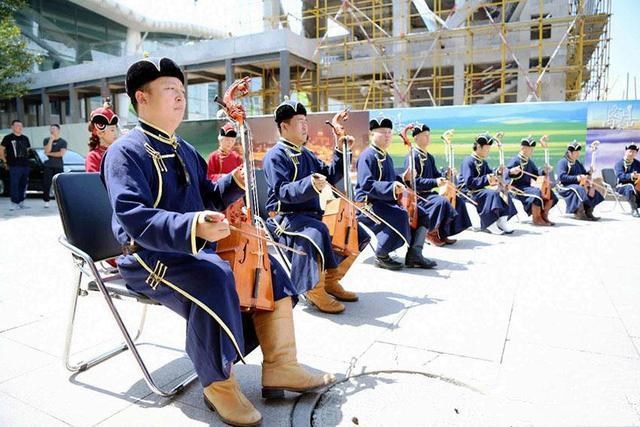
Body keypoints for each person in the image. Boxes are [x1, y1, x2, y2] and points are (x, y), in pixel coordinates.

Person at [101, 57, 333, 427]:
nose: (180, 97)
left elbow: (208, 196)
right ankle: (217, 383)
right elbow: (133, 216)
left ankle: (281, 365)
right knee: (213, 275)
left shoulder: (184, 148)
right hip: (147, 256)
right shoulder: (125, 151)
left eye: (181, 91)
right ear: (142, 98)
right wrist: (193, 225)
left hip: (190, 249)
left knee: (268, 267)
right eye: (170, 90)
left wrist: (233, 183)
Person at [263, 100, 368, 314]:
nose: (305, 126)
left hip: (310, 215)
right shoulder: (275, 155)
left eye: (305, 121)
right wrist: (309, 184)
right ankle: (313, 289)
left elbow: (330, 175)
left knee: (354, 231)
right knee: (317, 231)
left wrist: (341, 150)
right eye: (299, 121)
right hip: (285, 217)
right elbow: (281, 191)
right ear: (284, 126)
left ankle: (330, 281)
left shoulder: (307, 153)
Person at [355, 117, 437, 270]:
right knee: (400, 215)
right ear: (372, 134)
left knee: (421, 213)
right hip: (368, 203)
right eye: (382, 132)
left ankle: (415, 254)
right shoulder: (367, 155)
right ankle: (381, 254)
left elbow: (391, 179)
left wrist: (403, 178)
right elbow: (366, 185)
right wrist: (392, 186)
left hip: (385, 200)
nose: (387, 135)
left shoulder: (386, 156)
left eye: (389, 132)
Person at [404, 124, 471, 246]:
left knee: (457, 201)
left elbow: (436, 175)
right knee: (442, 202)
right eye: (425, 135)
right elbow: (414, 182)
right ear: (416, 138)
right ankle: (430, 232)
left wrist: (446, 175)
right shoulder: (412, 157)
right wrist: (435, 182)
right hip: (418, 196)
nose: (428, 138)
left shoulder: (429, 157)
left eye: (428, 135)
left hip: (429, 194)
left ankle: (444, 233)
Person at [458, 133, 518, 234]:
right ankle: (490, 223)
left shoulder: (483, 162)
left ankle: (502, 221)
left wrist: (499, 172)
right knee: (492, 194)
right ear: (478, 147)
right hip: (468, 192)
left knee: (504, 191)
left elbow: (491, 174)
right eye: (486, 149)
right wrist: (487, 178)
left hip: (479, 190)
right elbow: (469, 182)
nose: (488, 151)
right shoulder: (468, 161)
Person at [505, 136, 558, 226]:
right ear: (523, 148)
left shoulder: (529, 161)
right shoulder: (515, 160)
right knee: (536, 193)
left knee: (549, 193)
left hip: (528, 187)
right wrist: (511, 172)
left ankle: (543, 215)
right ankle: (536, 218)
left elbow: (537, 175)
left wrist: (544, 171)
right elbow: (506, 174)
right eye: (530, 149)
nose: (532, 151)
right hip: (518, 188)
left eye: (532, 149)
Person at [556, 141, 604, 221]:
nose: (578, 154)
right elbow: (562, 177)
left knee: (591, 189)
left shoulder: (577, 162)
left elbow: (584, 173)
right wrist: (577, 178)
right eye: (576, 152)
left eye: (578, 152)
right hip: (563, 186)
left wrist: (589, 172)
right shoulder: (563, 162)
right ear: (570, 152)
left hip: (577, 185)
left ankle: (588, 211)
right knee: (579, 189)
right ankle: (579, 213)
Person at [0, 119, 31, 211]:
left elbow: (28, 150)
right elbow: (1, 150)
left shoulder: (25, 138)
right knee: (14, 184)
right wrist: (4, 161)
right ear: (12, 127)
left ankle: (21, 202)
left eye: (21, 126)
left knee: (23, 184)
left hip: (25, 165)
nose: (19, 127)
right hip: (14, 165)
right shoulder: (8, 138)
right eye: (17, 126)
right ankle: (14, 203)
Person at [85, 101, 119, 173]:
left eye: (116, 129)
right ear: (100, 133)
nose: (116, 133)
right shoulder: (93, 156)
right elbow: (93, 178)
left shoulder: (120, 152)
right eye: (112, 130)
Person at [42, 124, 67, 207]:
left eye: (54, 129)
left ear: (58, 130)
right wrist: (51, 140)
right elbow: (47, 150)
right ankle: (46, 201)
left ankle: (60, 201)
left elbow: (61, 154)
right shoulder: (46, 140)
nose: (52, 130)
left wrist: (49, 153)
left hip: (58, 165)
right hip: (48, 165)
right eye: (51, 129)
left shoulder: (63, 142)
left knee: (59, 184)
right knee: (46, 183)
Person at [613, 142, 640, 217]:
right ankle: (634, 209)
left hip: (635, 184)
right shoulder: (619, 164)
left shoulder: (638, 163)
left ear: (636, 153)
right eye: (630, 151)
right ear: (626, 151)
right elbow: (620, 176)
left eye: (634, 152)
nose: (631, 153)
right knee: (630, 187)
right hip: (621, 186)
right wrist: (631, 175)